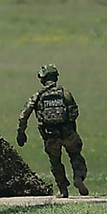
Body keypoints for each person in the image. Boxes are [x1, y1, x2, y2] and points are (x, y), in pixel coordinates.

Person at [17, 64, 88, 196]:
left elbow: (23, 115)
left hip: (50, 135)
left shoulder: (37, 96)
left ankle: (63, 189)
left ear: (42, 79)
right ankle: (78, 178)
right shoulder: (65, 93)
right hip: (68, 133)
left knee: (55, 162)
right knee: (75, 155)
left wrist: (21, 133)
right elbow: (74, 113)